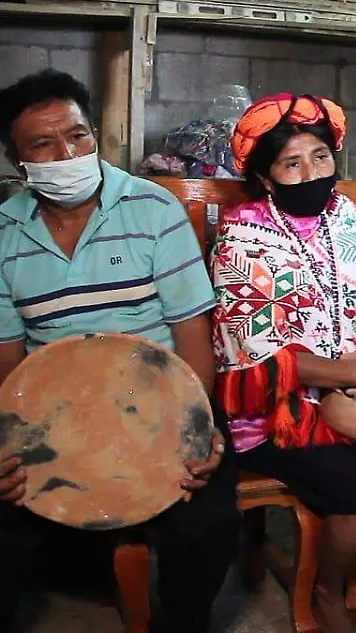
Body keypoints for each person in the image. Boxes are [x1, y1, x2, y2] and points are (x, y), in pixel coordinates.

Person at [0, 69, 235, 632]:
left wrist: (195, 425)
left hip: (159, 400)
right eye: (43, 144)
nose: (67, 154)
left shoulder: (153, 210)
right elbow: (8, 361)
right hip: (56, 411)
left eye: (77, 136)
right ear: (17, 162)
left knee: (204, 521)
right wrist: (7, 440)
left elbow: (192, 338)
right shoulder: (4, 236)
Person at [210, 94, 356, 633]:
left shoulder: (346, 217)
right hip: (278, 415)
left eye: (320, 157)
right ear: (265, 179)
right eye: (291, 163)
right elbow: (258, 358)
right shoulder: (242, 240)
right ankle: (328, 593)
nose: (311, 173)